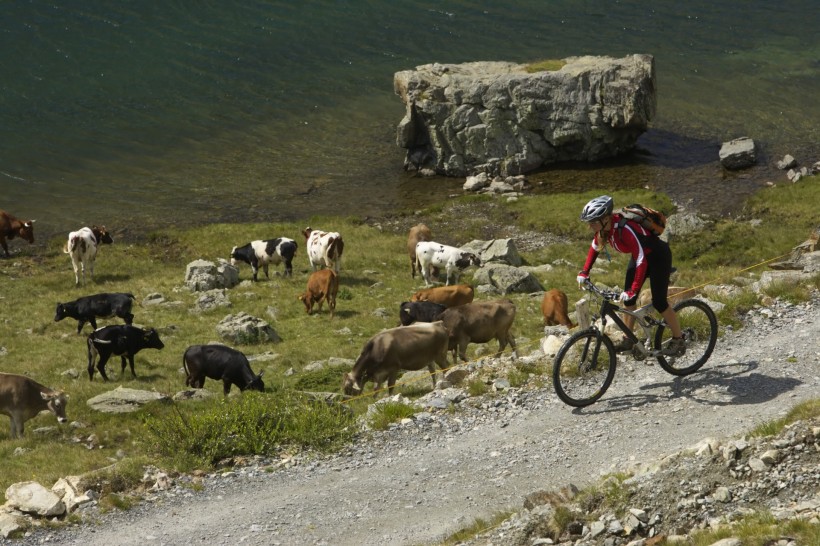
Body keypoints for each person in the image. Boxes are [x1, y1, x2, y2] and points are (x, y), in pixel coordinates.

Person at [576, 195, 685, 357]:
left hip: (658, 258)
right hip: (640, 258)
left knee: (660, 302)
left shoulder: (625, 229)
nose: (590, 226)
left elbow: (641, 259)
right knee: (628, 301)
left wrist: (633, 289)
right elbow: (594, 247)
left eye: (593, 222)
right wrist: (585, 272)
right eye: (589, 223)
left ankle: (679, 339)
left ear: (606, 218)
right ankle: (629, 338)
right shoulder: (604, 230)